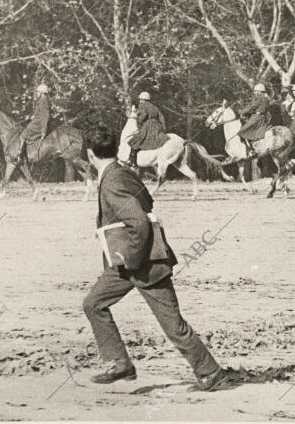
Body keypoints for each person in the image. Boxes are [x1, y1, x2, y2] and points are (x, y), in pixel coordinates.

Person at [83, 125, 228, 391]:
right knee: (94, 303)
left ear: (91, 155)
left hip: (144, 263)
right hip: (128, 262)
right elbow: (147, 202)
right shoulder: (124, 172)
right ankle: (120, 363)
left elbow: (138, 221)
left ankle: (211, 372)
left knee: (174, 326)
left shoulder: (113, 179)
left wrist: (132, 258)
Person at [128, 92, 169, 168]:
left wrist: (139, 121)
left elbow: (143, 115)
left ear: (143, 100)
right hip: (157, 126)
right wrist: (163, 127)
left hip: (148, 125)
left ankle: (132, 161)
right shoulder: (155, 107)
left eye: (140, 99)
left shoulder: (142, 105)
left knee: (135, 140)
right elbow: (161, 117)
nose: (140, 101)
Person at [17, 83, 51, 163]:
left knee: (23, 135)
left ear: (42, 93)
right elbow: (39, 114)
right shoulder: (41, 101)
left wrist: (43, 131)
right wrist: (32, 117)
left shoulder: (43, 102)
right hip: (36, 122)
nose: (37, 93)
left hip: (38, 125)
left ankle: (20, 156)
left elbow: (45, 117)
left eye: (38, 92)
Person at [238, 83, 271, 156]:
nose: (255, 93)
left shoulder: (260, 98)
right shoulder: (266, 98)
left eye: (256, 91)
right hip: (262, 117)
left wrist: (242, 112)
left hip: (257, 117)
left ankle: (251, 149)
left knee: (242, 131)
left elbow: (251, 107)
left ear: (260, 91)